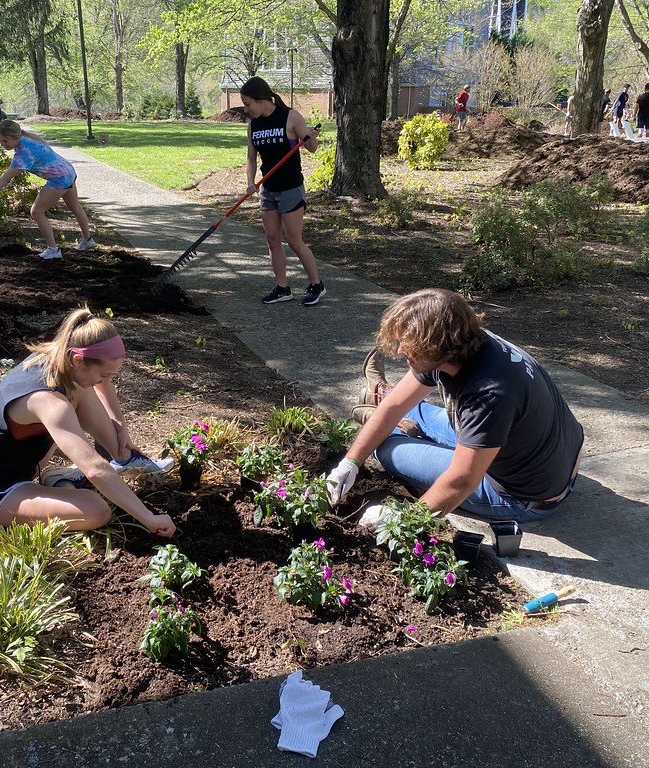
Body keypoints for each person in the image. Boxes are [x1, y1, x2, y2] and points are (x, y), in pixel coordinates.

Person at [327, 289, 584, 524]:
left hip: (521, 495)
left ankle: (394, 426)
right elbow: (395, 405)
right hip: (538, 452)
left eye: (409, 345)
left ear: (437, 345)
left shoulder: (488, 394)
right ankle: (384, 405)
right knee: (403, 409)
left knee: (384, 448)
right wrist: (349, 463)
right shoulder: (464, 343)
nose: (401, 350)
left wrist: (403, 521)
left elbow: (461, 481)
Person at [0, 307, 176, 535]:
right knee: (97, 510)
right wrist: (148, 518)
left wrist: (120, 427)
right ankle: (61, 484)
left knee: (81, 387)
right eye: (104, 374)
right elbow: (94, 469)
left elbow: (102, 382)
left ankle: (120, 458)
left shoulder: (59, 356)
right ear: (78, 359)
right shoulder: (49, 403)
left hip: (27, 463)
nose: (105, 380)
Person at [240, 76, 325, 306]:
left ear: (261, 100)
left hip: (290, 188)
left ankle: (317, 284)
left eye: (248, 104)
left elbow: (311, 148)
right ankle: (282, 288)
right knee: (272, 240)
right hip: (268, 190)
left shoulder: (290, 117)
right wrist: (250, 182)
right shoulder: (253, 125)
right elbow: (251, 158)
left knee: (294, 240)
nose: (246, 109)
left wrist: (311, 137)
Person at [0, 119, 95, 259]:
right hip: (68, 171)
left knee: (36, 212)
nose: (3, 144)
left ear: (16, 137)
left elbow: (4, 179)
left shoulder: (24, 153)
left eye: (5, 141)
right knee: (74, 206)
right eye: (1, 141)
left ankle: (53, 250)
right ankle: (88, 240)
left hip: (60, 179)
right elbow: (10, 175)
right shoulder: (26, 140)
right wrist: (6, 181)